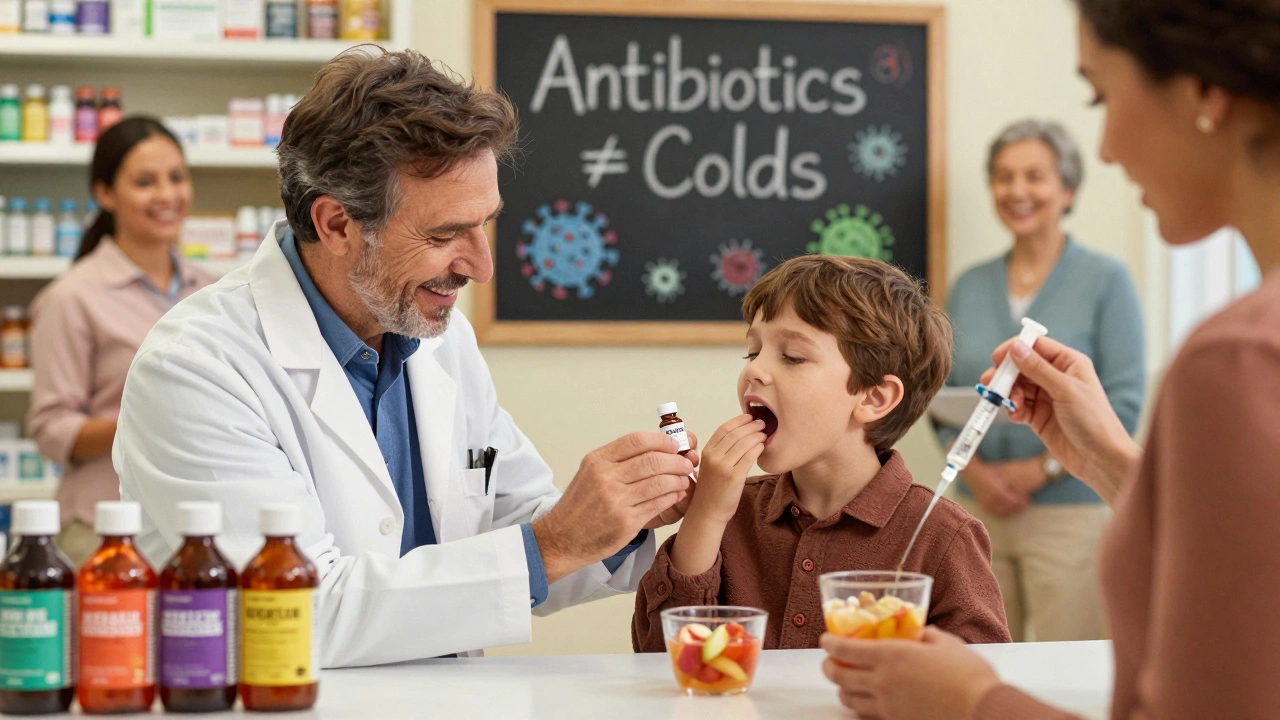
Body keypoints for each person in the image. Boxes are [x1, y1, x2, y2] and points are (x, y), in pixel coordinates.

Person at [112, 48, 696, 667]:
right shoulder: (197, 368)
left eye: (485, 225)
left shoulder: (439, 337)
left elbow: (514, 520)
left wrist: (625, 515)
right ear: (337, 224)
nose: (480, 265)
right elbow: (287, 615)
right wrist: (549, 546)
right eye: (445, 235)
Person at [820, 1, 1280, 717]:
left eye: (1102, 94)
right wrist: (1110, 463)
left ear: (1203, 95)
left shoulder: (1240, 361)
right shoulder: (975, 283)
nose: (1103, 151)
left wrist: (972, 700)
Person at [632, 255, 1010, 652]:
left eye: (792, 356)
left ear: (874, 397)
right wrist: (705, 516)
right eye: (752, 352)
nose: (755, 371)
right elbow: (663, 659)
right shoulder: (727, 513)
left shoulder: (943, 536)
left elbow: (979, 686)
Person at [937, 118, 1144, 642]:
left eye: (1034, 176)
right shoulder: (968, 285)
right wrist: (978, 473)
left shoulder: (1106, 280)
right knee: (976, 655)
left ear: (1067, 188)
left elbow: (1122, 402)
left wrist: (1041, 469)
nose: (1017, 191)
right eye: (1004, 177)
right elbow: (938, 393)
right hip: (974, 509)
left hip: (1070, 513)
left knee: (1066, 663)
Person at [26, 117, 215, 567]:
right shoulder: (71, 297)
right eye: (145, 182)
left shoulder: (211, 292)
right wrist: (149, 416)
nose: (168, 195)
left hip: (188, 529)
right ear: (105, 193)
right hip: (99, 531)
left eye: (176, 177)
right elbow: (52, 430)